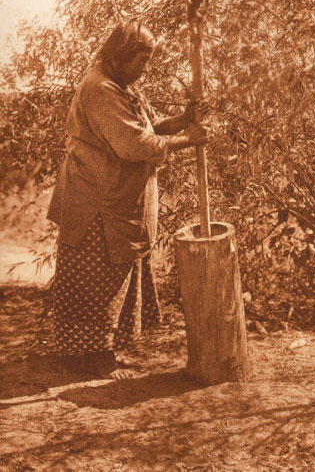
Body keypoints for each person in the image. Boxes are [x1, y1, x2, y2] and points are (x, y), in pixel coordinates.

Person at [47, 20, 209, 378]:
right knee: (94, 280)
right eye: (141, 60)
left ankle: (103, 354)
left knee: (113, 278)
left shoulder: (122, 85)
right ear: (120, 56)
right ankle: (90, 360)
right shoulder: (101, 89)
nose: (145, 68)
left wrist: (183, 120)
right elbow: (135, 145)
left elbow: (149, 127)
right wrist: (190, 139)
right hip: (94, 201)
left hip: (113, 198)